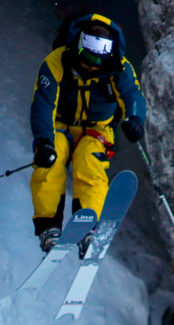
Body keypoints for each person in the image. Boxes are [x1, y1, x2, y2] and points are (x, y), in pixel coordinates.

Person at [29, 12, 147, 251]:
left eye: (98, 61)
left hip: (96, 128)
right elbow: (43, 104)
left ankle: (89, 227)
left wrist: (135, 118)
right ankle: (49, 227)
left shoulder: (119, 67)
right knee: (51, 160)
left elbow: (132, 94)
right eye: (87, 58)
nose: (92, 66)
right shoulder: (57, 61)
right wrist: (44, 141)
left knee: (89, 160)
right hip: (59, 125)